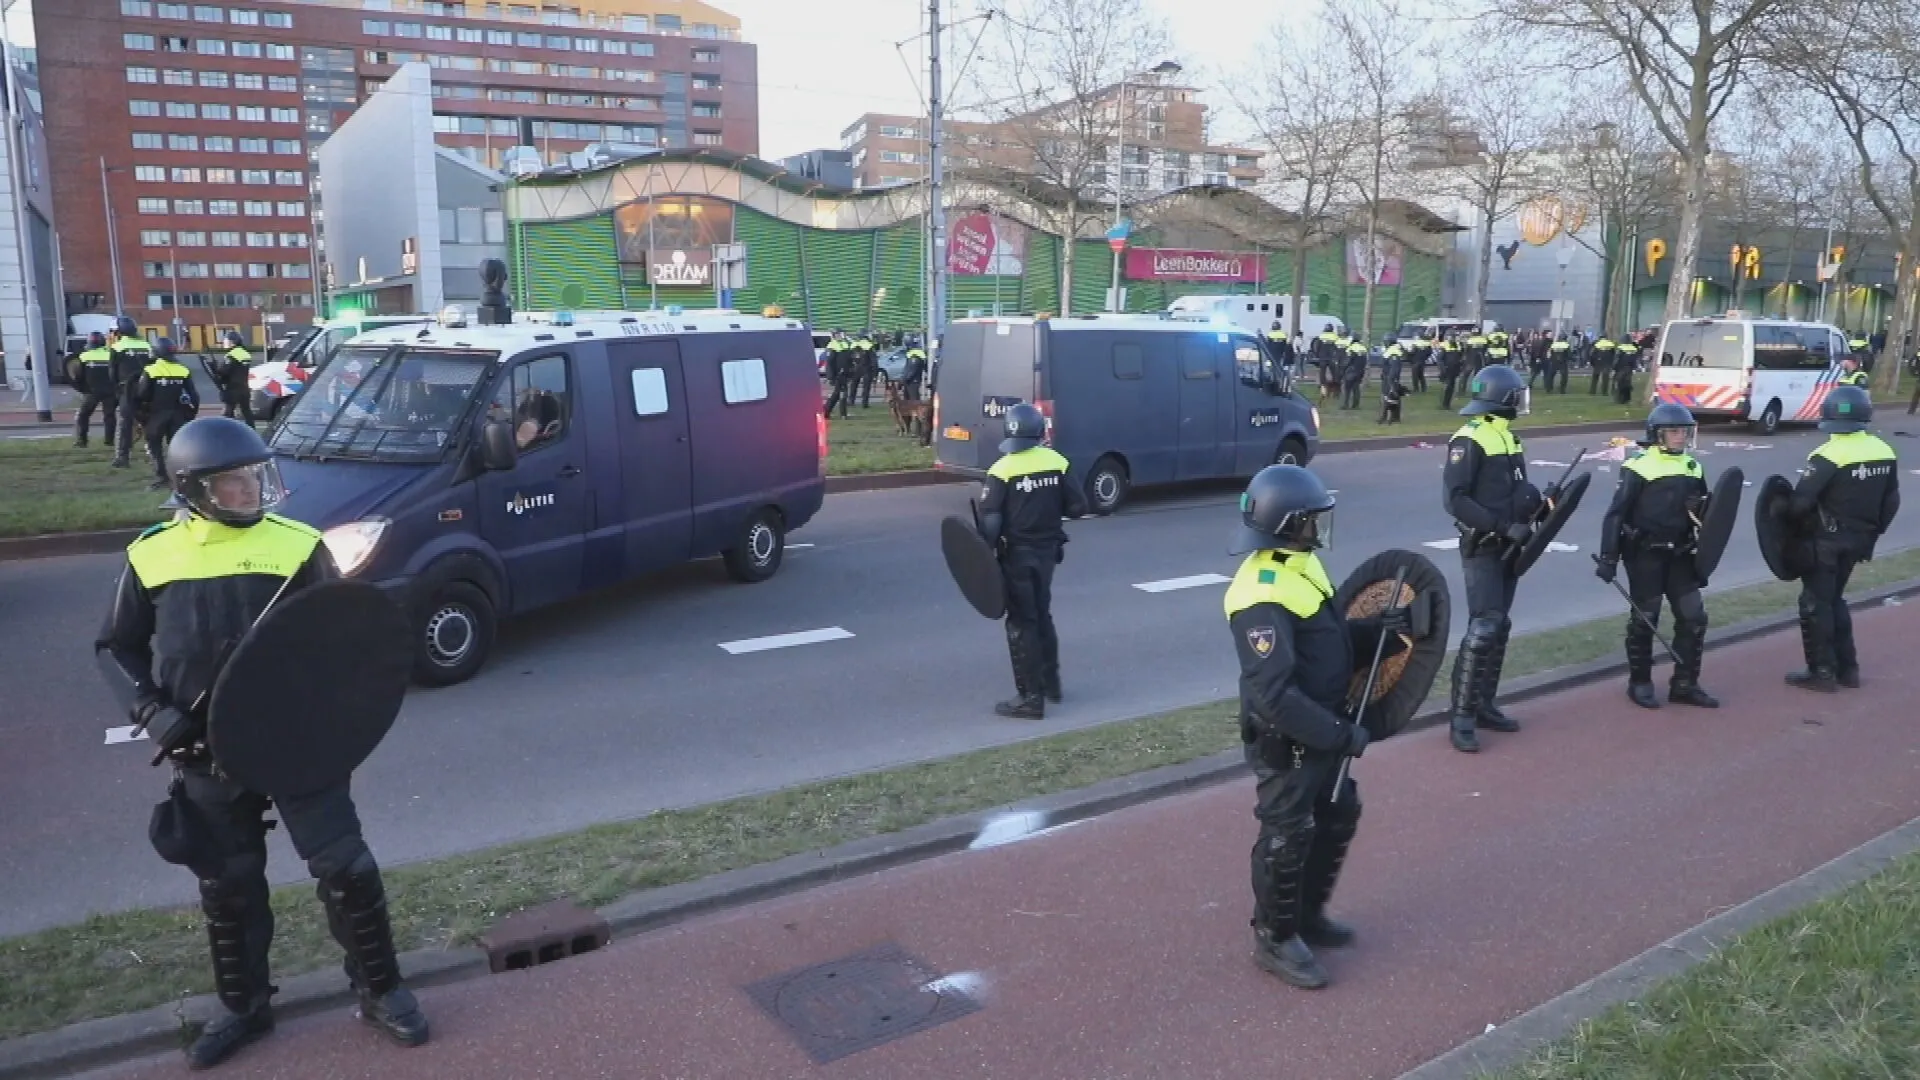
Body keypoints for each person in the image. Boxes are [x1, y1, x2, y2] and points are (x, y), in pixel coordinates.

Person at [95, 417, 431, 1068]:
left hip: (297, 741)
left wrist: (341, 712)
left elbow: (342, 638)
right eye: (234, 484)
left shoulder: (299, 545)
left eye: (255, 478)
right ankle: (243, 1006)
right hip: (203, 751)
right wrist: (153, 713)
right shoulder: (152, 554)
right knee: (229, 885)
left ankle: (381, 989)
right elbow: (117, 648)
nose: (251, 491)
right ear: (193, 490)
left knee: (348, 870)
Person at [1225, 464, 1407, 989]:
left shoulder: (1299, 565)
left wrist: (1376, 634)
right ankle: (1275, 937)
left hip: (1323, 724)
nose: (1319, 528)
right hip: (1289, 738)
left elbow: (1322, 639)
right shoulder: (1258, 592)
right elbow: (1275, 693)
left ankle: (1306, 915)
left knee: (1337, 810)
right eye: (1311, 520)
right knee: (1288, 831)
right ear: (1286, 524)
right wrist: (1339, 734)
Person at [1594, 404, 1720, 710]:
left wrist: (1705, 552)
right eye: (1673, 431)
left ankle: (1685, 683)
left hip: (1680, 556)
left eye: (1685, 431)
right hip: (1644, 555)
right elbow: (1615, 515)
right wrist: (1609, 557)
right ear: (1657, 435)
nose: (1680, 437)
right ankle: (1640, 682)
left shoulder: (1693, 466)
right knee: (1645, 621)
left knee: (1694, 618)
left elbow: (1707, 514)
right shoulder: (1638, 467)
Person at [1441, 364, 1539, 753]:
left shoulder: (1508, 438)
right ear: (1503, 397)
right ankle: (1461, 716)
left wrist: (1539, 503)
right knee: (1484, 626)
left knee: (1500, 625)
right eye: (1517, 394)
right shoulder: (1468, 439)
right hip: (1483, 544)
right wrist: (1500, 526)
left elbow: (1514, 489)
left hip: (1509, 544)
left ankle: (1484, 704)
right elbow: (1456, 500)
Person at [1777, 385, 1899, 692]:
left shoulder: (1827, 454)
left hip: (1825, 544)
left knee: (1816, 603)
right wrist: (1874, 532)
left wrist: (1784, 519)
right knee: (1835, 600)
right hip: (1859, 541)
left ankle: (1822, 672)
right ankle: (1848, 669)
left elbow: (1800, 503)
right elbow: (1892, 500)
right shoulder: (1884, 450)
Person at [977, 402, 1087, 718]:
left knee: (1021, 622)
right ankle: (1051, 685)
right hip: (1048, 553)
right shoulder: (1058, 462)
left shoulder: (1002, 469)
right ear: (1040, 432)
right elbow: (1077, 506)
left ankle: (1029, 698)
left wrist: (985, 553)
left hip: (1017, 556)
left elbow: (991, 522)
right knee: (1042, 614)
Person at [130, 338, 201, 489]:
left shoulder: (150, 370)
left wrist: (139, 414)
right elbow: (194, 396)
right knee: (177, 446)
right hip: (178, 414)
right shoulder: (183, 369)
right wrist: (190, 415)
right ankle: (182, 477)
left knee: (154, 446)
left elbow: (142, 394)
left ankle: (162, 478)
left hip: (157, 414)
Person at [109, 317, 156, 468]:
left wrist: (117, 390)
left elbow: (112, 372)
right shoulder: (147, 345)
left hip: (126, 389)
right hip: (146, 388)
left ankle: (123, 457)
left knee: (125, 423)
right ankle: (154, 454)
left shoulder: (117, 347)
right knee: (149, 422)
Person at [72, 331, 119, 449]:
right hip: (110, 391)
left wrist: (82, 388)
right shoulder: (110, 355)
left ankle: (82, 441)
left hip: (91, 392)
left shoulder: (84, 356)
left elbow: (78, 376)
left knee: (83, 415)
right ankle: (109, 441)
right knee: (109, 416)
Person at [214, 330, 257, 427]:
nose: (224, 343)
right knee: (247, 412)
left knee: (228, 413)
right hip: (245, 388)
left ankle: (228, 433)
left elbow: (224, 372)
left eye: (226, 340)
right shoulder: (245, 354)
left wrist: (216, 369)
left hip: (233, 389)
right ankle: (252, 432)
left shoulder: (231, 355)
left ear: (232, 342)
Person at [1339, 337, 1368, 410]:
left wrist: (1342, 370)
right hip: (1360, 371)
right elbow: (1365, 361)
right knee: (1356, 389)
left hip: (1351, 372)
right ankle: (1356, 405)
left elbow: (1347, 361)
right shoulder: (1363, 348)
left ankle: (1346, 405)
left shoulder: (1351, 348)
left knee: (1347, 389)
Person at [1437, 334, 1464, 410]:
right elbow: (1439, 359)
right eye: (1449, 336)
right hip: (1447, 369)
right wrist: (1443, 369)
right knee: (1447, 387)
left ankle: (1447, 404)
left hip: (1455, 370)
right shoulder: (1444, 345)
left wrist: (1461, 365)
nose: (1451, 338)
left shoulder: (1458, 345)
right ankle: (1444, 404)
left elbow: (1460, 356)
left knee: (1451, 387)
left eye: (1452, 336)